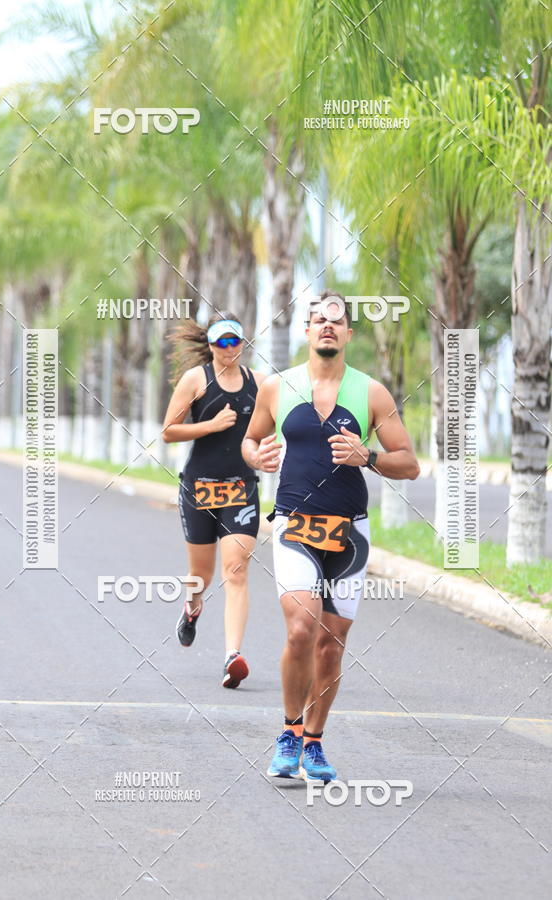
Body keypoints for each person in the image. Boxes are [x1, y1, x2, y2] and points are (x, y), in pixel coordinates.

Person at [242, 291, 420, 781]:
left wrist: (370, 458)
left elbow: (410, 463)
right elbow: (251, 440)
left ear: (348, 335)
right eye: (318, 320)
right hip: (295, 526)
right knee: (301, 629)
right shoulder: (278, 388)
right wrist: (256, 458)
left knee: (331, 644)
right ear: (306, 331)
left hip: (350, 534)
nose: (326, 327)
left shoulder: (372, 393)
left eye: (335, 322)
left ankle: (315, 743)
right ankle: (289, 731)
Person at [163, 312, 265, 688]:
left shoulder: (260, 383)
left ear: (243, 343)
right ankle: (191, 610)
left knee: (235, 571)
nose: (228, 348)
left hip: (241, 488)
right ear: (210, 345)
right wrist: (211, 425)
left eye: (234, 341)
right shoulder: (197, 380)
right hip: (199, 488)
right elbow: (169, 430)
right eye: (221, 342)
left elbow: (279, 424)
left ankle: (232, 657)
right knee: (201, 576)